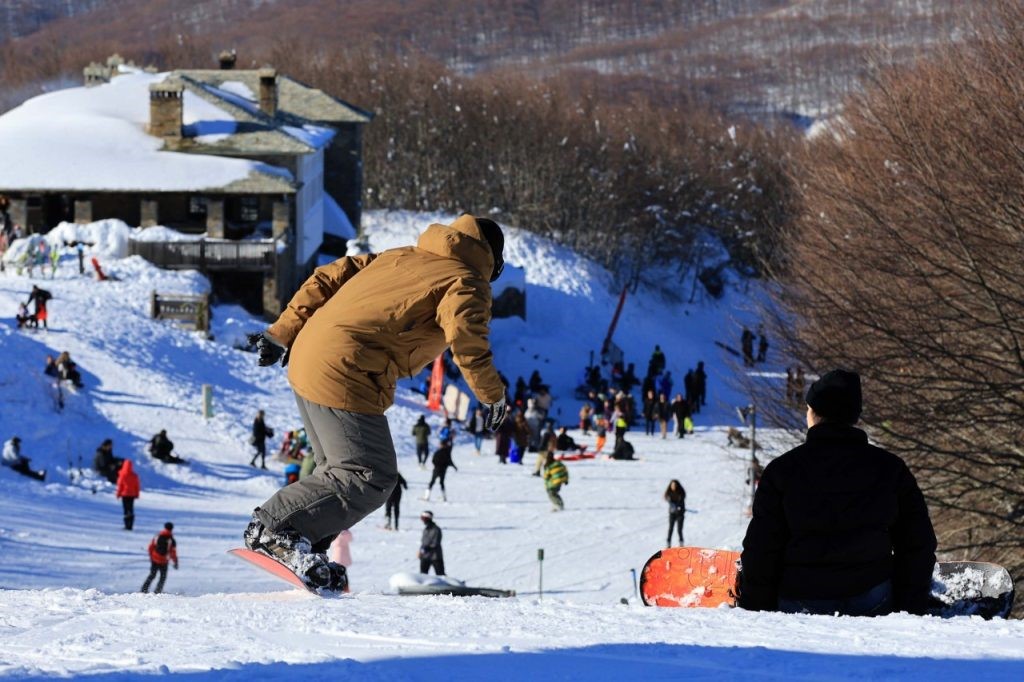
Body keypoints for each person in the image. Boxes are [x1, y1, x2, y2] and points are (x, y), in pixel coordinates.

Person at [243, 214, 508, 591]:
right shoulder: (465, 281)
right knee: (370, 475)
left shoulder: (401, 255)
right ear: (492, 262)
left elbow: (327, 276)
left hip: (310, 355)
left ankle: (303, 546)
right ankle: (275, 530)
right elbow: (468, 341)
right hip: (346, 369)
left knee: (336, 470)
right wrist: (492, 394)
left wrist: (283, 332)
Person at [739, 369, 937, 617]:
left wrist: (755, 608)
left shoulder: (782, 471)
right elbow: (917, 542)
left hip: (800, 600)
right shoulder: (890, 468)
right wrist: (910, 606)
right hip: (873, 599)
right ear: (853, 416)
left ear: (813, 412)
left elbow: (762, 548)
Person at [141, 522, 178, 594]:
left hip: (155, 559)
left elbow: (151, 547)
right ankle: (157, 591)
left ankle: (144, 589)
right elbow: (173, 552)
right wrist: (175, 562)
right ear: (172, 529)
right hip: (164, 561)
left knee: (152, 575)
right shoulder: (171, 540)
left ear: (165, 527)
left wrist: (151, 556)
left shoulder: (158, 536)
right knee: (163, 577)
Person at [116, 459, 140, 530]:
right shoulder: (134, 476)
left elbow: (120, 486)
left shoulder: (122, 475)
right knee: (131, 509)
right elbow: (137, 486)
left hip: (125, 494)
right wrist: (137, 494)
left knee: (126, 509)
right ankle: (131, 525)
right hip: (132, 495)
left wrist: (118, 494)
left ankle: (126, 525)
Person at [418, 511, 445, 575]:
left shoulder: (436, 529)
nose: (423, 521)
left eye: (424, 519)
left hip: (435, 556)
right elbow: (424, 542)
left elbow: (435, 543)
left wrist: (425, 549)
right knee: (423, 574)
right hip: (425, 556)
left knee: (440, 574)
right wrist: (421, 551)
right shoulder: (426, 529)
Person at [665, 480, 686, 546]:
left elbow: (682, 503)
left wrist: (680, 507)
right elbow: (668, 501)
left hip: (680, 514)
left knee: (679, 530)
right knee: (670, 528)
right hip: (672, 513)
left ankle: (681, 543)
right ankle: (668, 543)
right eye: (672, 485)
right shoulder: (668, 494)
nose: (673, 486)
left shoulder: (681, 493)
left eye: (674, 485)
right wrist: (673, 506)